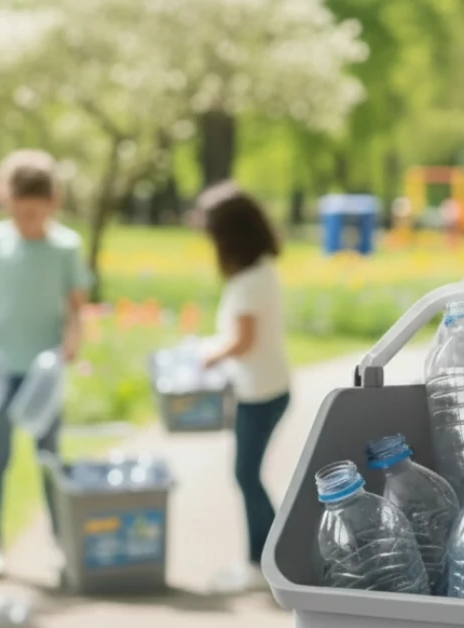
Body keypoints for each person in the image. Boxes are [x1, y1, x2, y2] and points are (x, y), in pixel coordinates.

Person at [0, 149, 89, 578]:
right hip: (0, 370)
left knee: (49, 457)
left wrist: (72, 341)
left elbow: (76, 308)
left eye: (35, 212)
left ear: (52, 203)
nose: (28, 221)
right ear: (5, 201)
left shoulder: (65, 247)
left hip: (43, 374)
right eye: (20, 212)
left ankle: (61, 543)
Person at [196, 182, 292, 592]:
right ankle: (271, 556)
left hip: (260, 393)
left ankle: (264, 560)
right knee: (248, 475)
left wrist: (209, 356)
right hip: (264, 387)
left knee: (246, 476)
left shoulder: (251, 281)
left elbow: (244, 341)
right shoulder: (259, 272)